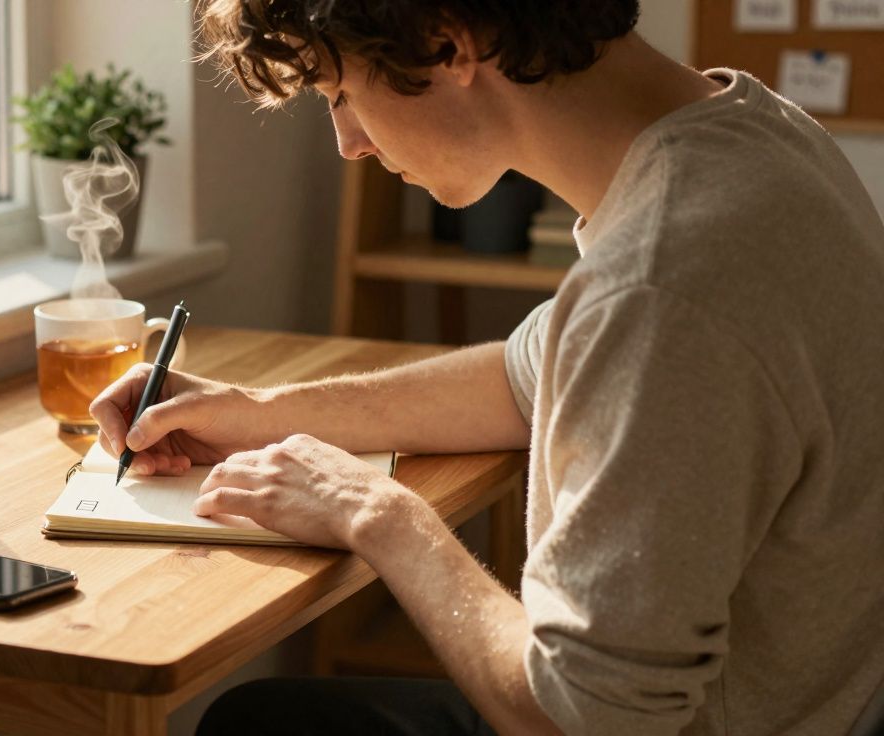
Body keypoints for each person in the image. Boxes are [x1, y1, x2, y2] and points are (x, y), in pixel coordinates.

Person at [89, 1, 884, 734]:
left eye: (340, 93)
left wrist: (378, 514)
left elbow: (578, 719)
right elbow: (521, 378)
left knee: (260, 726)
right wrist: (252, 409)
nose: (349, 142)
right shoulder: (759, 134)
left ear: (446, 42)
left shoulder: (664, 282)